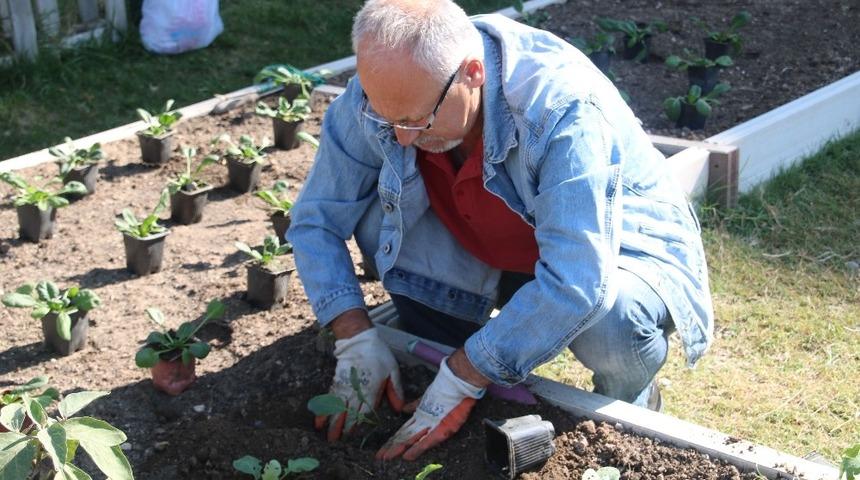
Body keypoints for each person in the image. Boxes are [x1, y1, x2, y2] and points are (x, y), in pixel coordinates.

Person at [287, 0, 714, 462]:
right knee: (374, 217)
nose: (403, 136)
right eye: (390, 119)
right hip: (486, 240)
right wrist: (353, 335)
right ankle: (441, 342)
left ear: (473, 74)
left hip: (616, 247)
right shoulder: (390, 92)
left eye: (418, 120)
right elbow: (315, 220)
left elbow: (578, 280)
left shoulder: (561, 108)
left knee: (614, 322)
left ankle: (631, 406)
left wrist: (467, 372)